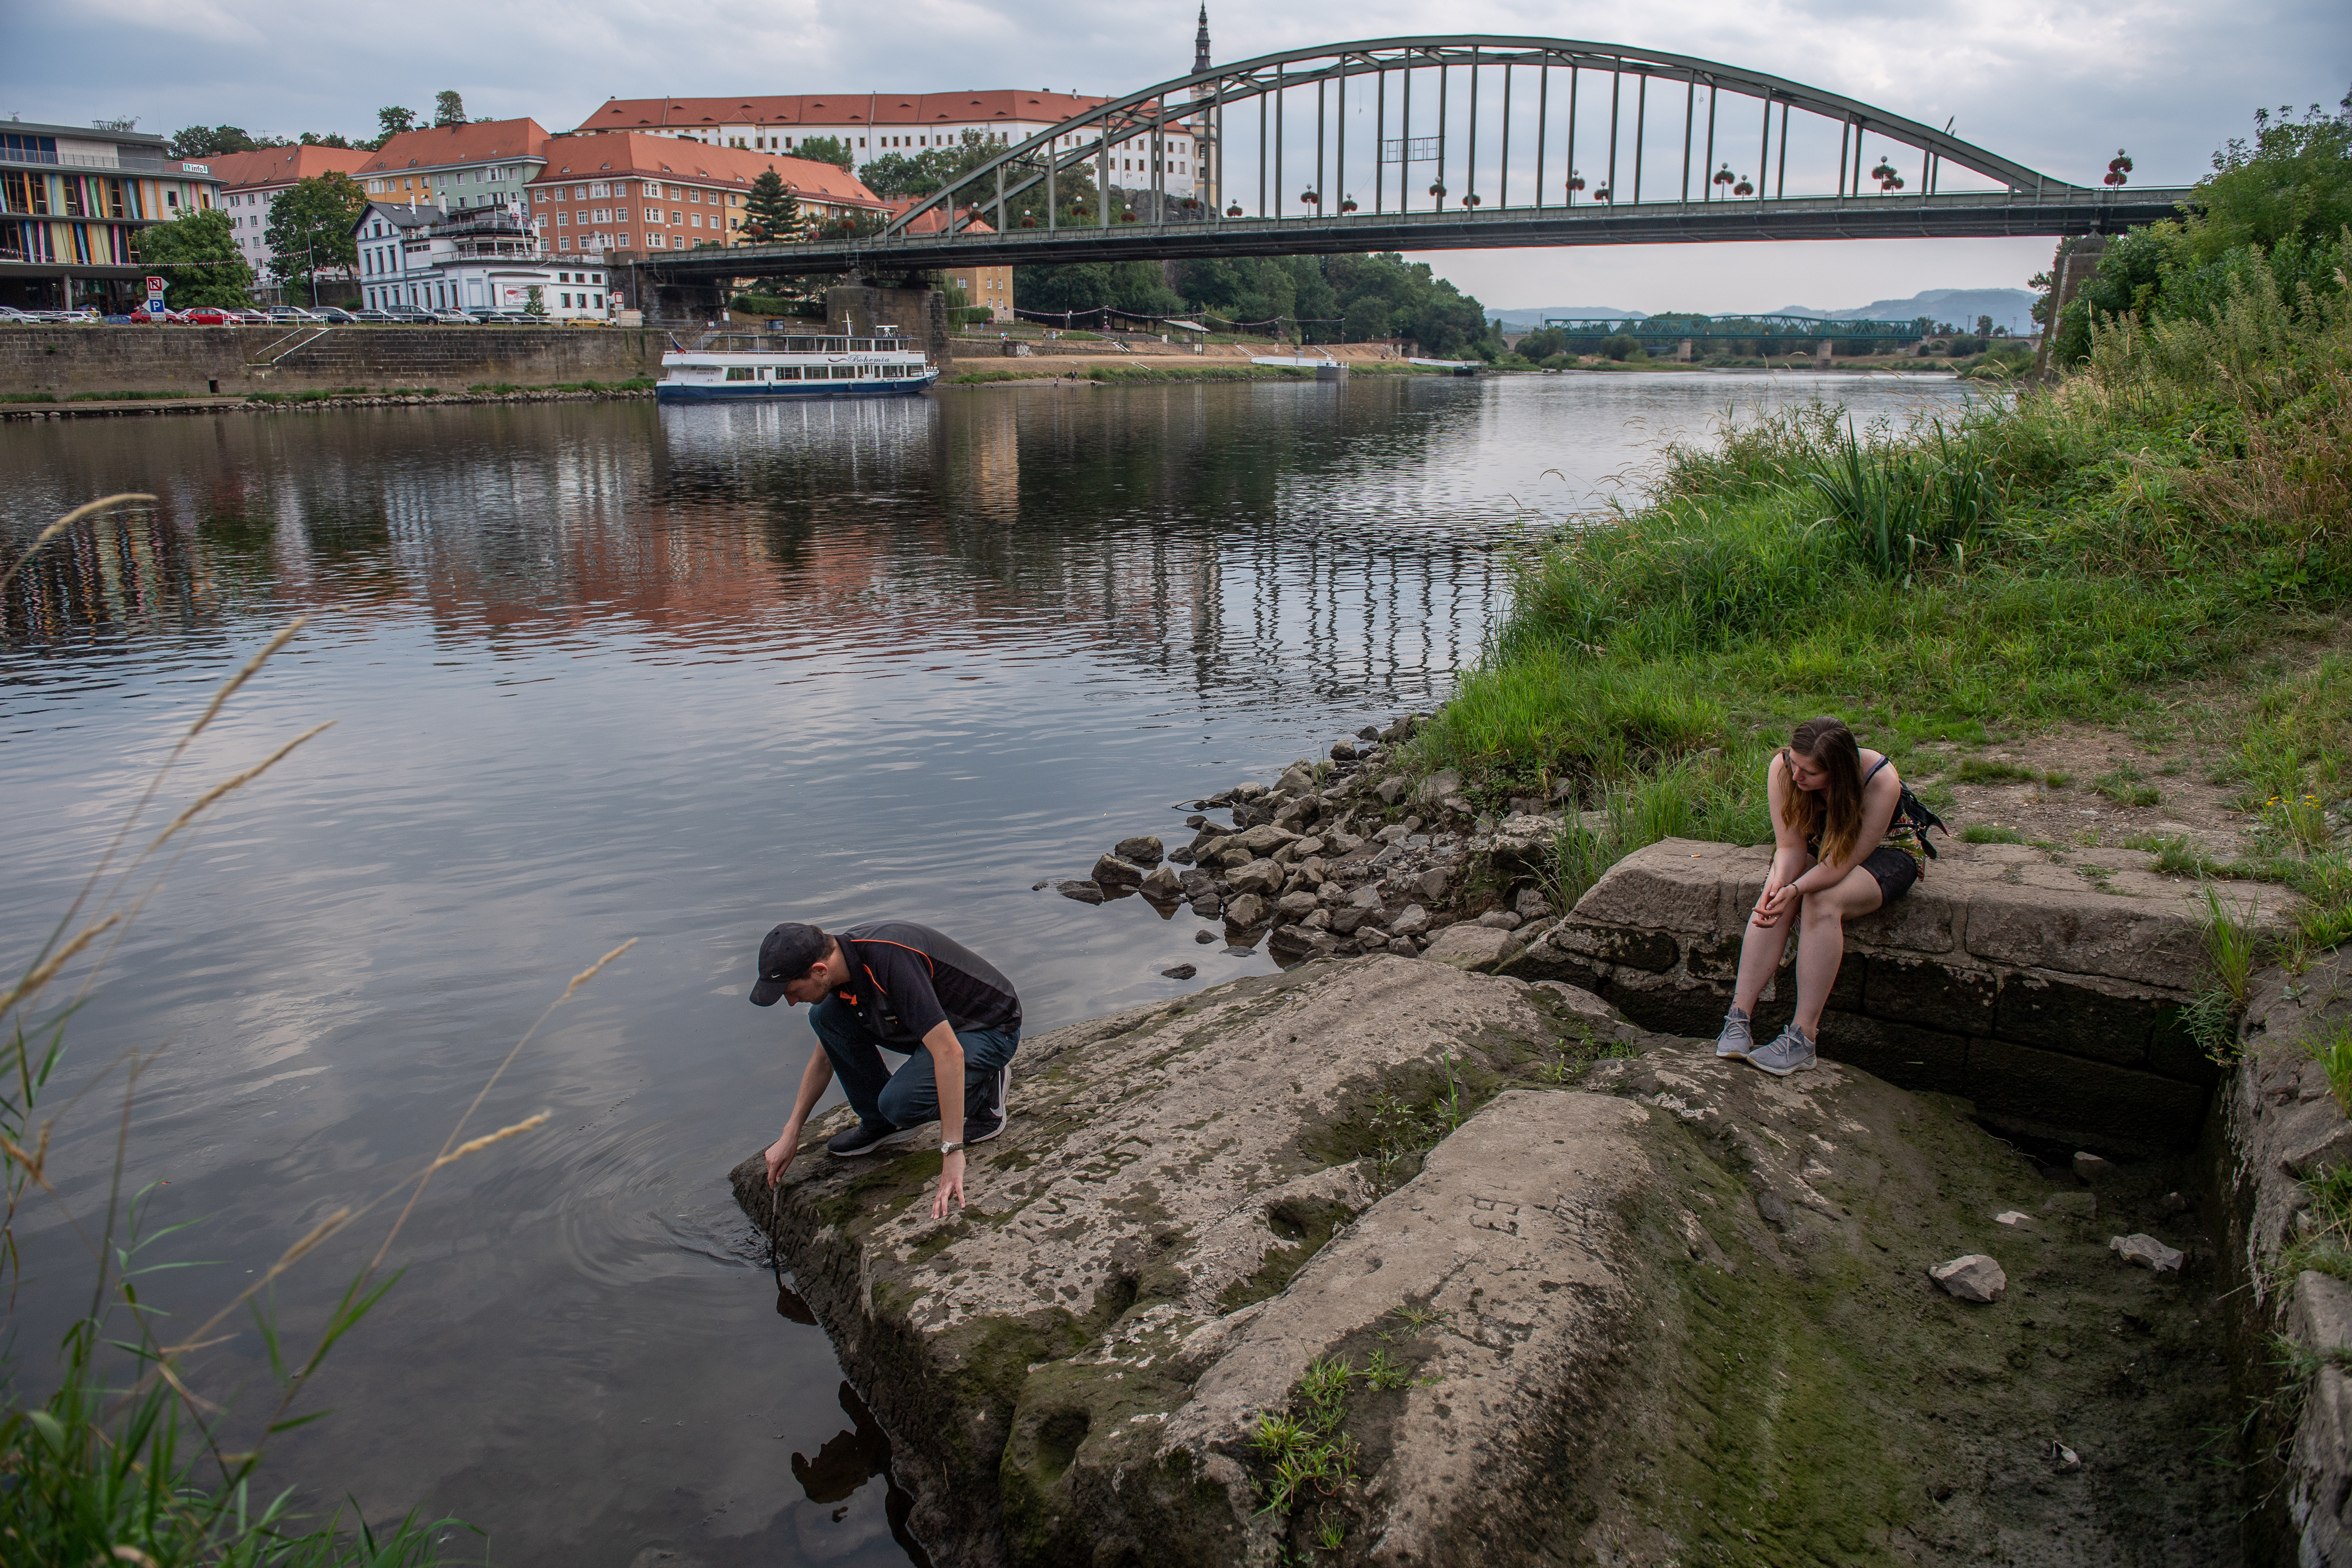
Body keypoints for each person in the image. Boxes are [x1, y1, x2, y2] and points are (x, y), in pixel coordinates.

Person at [751, 920, 1020, 1219]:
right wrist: (792, 1134)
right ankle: (880, 1124)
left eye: (791, 991)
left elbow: (949, 1053)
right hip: (938, 1027)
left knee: (901, 1105)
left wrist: (952, 1152)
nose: (790, 1002)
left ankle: (986, 1093)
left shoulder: (889, 961)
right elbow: (824, 1057)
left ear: (820, 971)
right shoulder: (843, 969)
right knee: (824, 1017)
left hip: (989, 1028)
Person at [1716, 718, 1933, 1077]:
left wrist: (1798, 889)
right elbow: (1790, 847)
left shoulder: (1880, 780)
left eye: (1810, 773)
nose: (1797, 777)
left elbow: (1841, 863)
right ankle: (1738, 1018)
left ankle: (1803, 1039)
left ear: (1840, 772)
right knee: (1773, 895)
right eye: (1794, 764)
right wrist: (1780, 885)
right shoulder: (1786, 767)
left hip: (1886, 850)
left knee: (1821, 900)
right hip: (1827, 841)